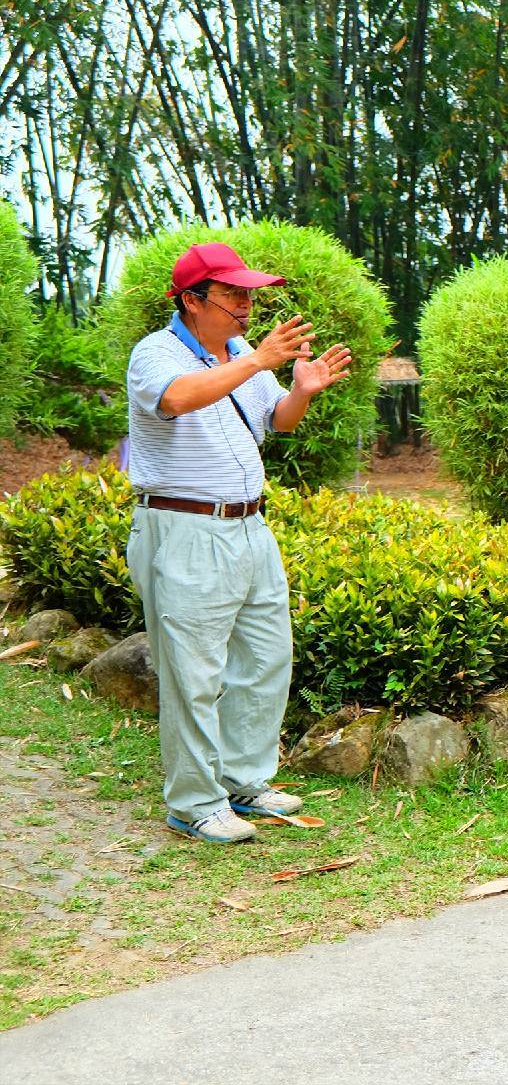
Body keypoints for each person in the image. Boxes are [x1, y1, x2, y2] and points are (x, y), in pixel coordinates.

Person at [125, 242, 353, 843]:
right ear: (192, 300)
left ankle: (243, 782)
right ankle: (195, 802)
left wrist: (302, 388)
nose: (247, 306)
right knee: (194, 673)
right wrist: (256, 362)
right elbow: (176, 399)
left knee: (264, 660)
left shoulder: (238, 352)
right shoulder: (156, 352)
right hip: (184, 528)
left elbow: (274, 421)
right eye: (232, 295)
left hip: (250, 527)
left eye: (249, 293)